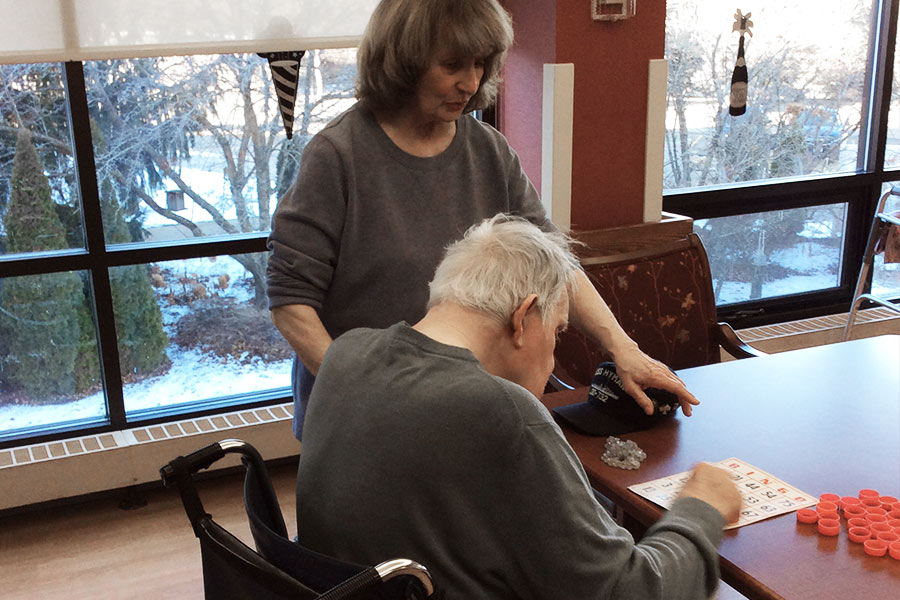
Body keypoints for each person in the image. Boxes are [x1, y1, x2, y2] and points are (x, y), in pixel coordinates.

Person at [266, 0, 697, 441]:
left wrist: (624, 349)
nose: (470, 83)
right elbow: (290, 300)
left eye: (480, 64)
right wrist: (357, 389)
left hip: (463, 405)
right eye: (452, 64)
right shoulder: (338, 155)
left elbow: (556, 265)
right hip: (360, 416)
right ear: (403, 60)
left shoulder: (489, 151)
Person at [295, 215, 742, 599]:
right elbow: (632, 592)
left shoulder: (346, 354)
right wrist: (701, 507)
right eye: (559, 331)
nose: (552, 358)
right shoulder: (502, 412)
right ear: (523, 317)